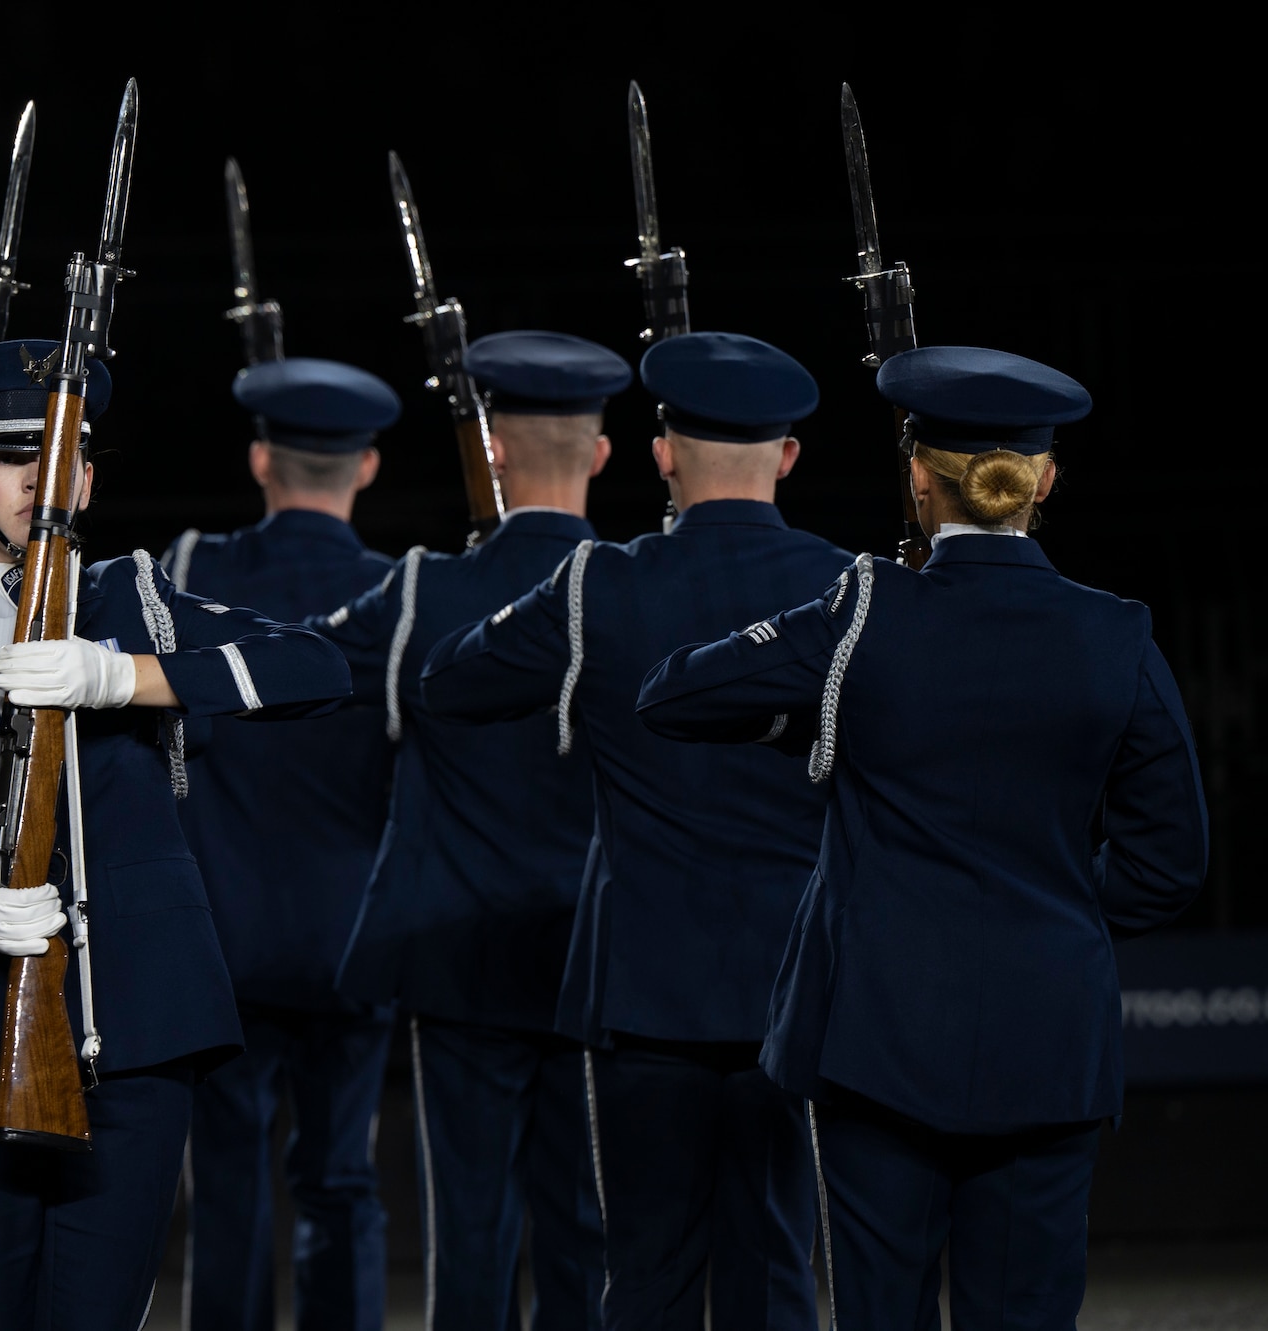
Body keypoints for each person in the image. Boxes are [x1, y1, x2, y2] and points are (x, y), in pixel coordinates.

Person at [0, 338, 353, 1331]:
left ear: (86, 473)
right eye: (11, 457)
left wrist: (123, 676)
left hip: (134, 1024)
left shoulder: (135, 604)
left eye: (62, 455)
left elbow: (317, 666)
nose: (41, 480)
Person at [635, 346, 1208, 1330]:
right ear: (1044, 478)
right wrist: (1055, 918)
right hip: (1046, 1032)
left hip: (877, 1032)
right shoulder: (1115, 634)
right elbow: (1168, 862)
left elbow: (674, 693)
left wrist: (817, 710)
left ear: (915, 474)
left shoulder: (861, 610)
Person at [421, 331, 847, 1329]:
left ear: (660, 453)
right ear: (786, 456)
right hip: (794, 978)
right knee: (777, 1262)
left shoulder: (597, 584)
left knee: (644, 1268)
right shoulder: (848, 587)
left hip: (642, 985)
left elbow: (449, 680)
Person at [309, 330, 628, 1331]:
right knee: (586, 1230)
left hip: (460, 957)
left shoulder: (419, 593)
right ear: (604, 451)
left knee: (472, 1234)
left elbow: (293, 666)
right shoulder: (634, 590)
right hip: (595, 954)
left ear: (490, 448)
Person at [163, 357, 401, 1331]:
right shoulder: (397, 593)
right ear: (369, 466)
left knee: (226, 1169)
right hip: (353, 933)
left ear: (261, 459)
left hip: (221, 929)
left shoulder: (187, 570)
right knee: (341, 1171)